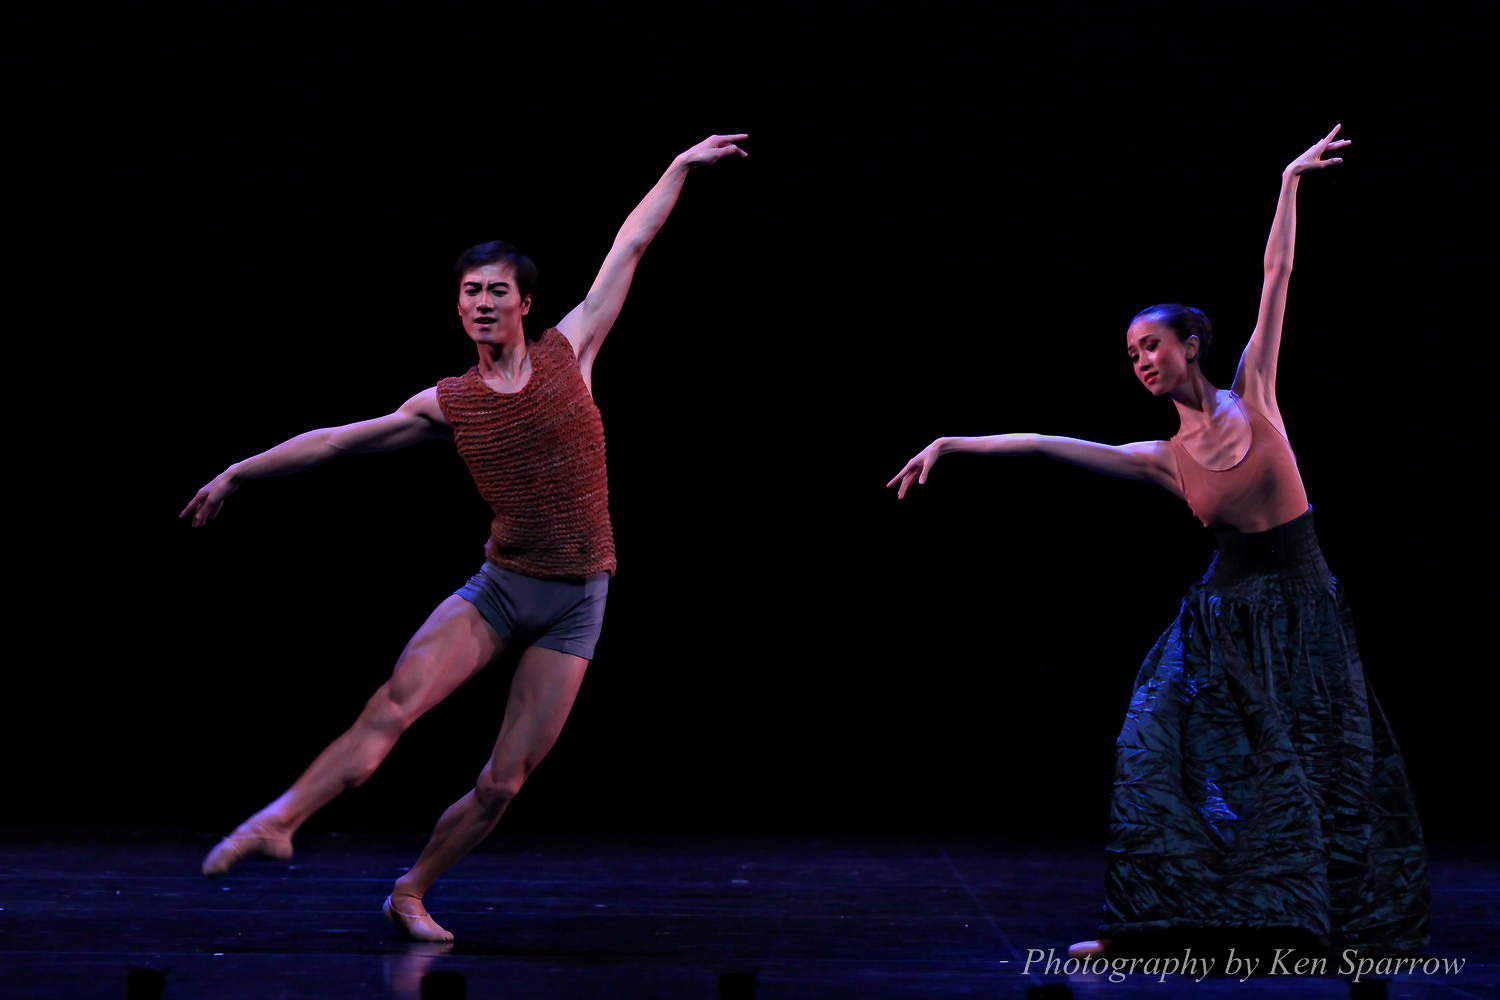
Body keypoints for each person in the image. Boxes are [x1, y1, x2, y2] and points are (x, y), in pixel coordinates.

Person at [182, 133, 749, 942]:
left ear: (525, 303)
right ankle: (280, 819)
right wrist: (241, 471)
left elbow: (633, 242)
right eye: (470, 292)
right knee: (391, 709)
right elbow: (340, 440)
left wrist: (680, 167)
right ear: (459, 306)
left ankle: (411, 891)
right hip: (499, 588)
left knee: (503, 783)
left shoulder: (573, 347)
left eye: (498, 291)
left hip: (578, 600)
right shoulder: (446, 403)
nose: (482, 302)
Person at [888, 126, 1428, 958]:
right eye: (1131, 353)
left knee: (1315, 762)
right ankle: (1146, 923)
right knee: (1154, 742)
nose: (1140, 361)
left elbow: (1276, 274)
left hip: (1303, 606)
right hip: (1221, 616)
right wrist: (953, 444)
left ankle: (1327, 920)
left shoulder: (1256, 390)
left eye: (1152, 345)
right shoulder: (1161, 459)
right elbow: (1041, 442)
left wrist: (1288, 179)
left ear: (1190, 346)